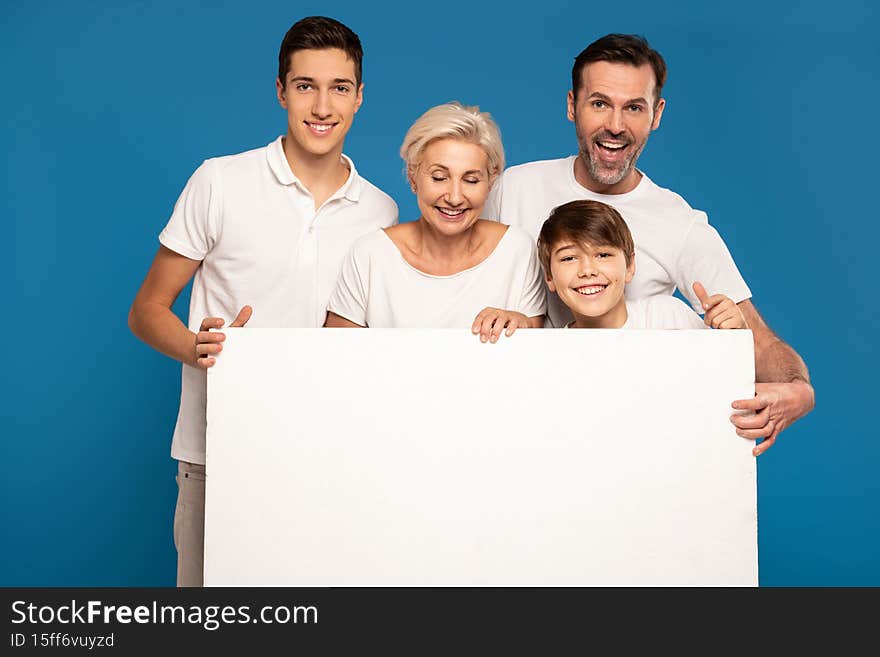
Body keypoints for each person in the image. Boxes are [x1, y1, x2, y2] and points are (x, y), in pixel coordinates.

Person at [127, 16, 398, 586]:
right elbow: (148, 309)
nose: (322, 106)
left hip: (326, 457)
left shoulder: (381, 212)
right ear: (281, 91)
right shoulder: (219, 181)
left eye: (339, 88)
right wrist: (199, 347)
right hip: (216, 452)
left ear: (359, 97)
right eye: (305, 86)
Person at [483, 34, 813, 454]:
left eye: (633, 107)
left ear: (656, 114)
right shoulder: (514, 188)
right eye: (599, 103)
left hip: (627, 436)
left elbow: (753, 335)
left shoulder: (679, 223)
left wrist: (798, 390)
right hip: (525, 426)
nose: (616, 126)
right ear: (572, 106)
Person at [325, 102, 546, 340]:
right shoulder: (370, 255)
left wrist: (521, 326)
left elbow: (532, 360)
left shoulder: (517, 251)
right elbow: (338, 357)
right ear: (413, 177)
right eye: (439, 177)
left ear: (490, 183)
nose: (454, 197)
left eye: (471, 180)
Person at [539, 200, 747, 330]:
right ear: (549, 276)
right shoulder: (555, 352)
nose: (587, 271)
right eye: (568, 258)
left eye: (603, 254)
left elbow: (720, 378)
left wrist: (733, 336)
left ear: (630, 266)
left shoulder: (667, 318)